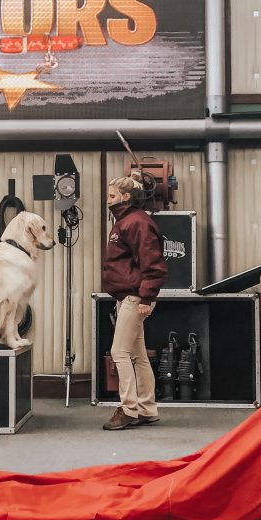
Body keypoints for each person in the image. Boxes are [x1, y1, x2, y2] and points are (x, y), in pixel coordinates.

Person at [100, 175, 168, 431]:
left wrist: (146, 297)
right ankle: (147, 409)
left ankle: (129, 409)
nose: (108, 200)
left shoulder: (136, 223)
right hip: (128, 296)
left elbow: (153, 263)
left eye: (112, 196)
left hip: (134, 297)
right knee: (138, 355)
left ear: (125, 197)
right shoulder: (125, 222)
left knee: (120, 352)